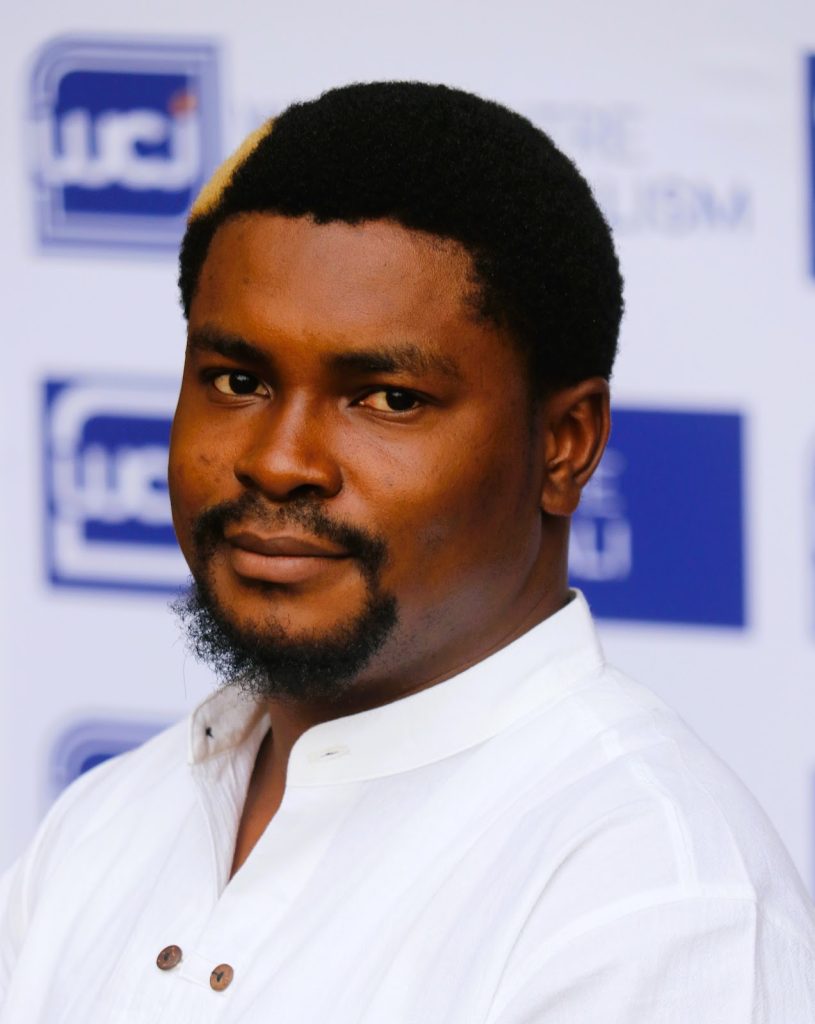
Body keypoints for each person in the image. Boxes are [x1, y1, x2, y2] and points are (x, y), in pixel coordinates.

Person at [1, 81, 813, 1023]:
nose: (278, 461)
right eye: (236, 379)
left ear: (564, 445)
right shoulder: (107, 824)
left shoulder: (651, 901)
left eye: (386, 398)